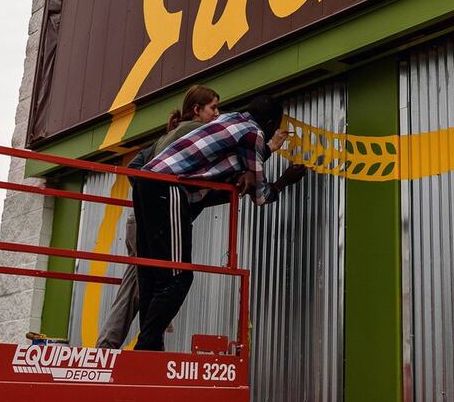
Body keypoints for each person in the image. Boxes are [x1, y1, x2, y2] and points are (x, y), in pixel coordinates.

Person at [132, 94, 306, 352]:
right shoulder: (254, 135)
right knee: (177, 279)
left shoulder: (229, 119)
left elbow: (229, 160)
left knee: (153, 275)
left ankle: (149, 348)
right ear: (269, 123)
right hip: (166, 186)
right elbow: (261, 195)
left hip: (145, 182)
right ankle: (145, 349)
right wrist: (284, 180)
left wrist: (248, 167)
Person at [96, 85, 221, 350]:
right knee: (146, 284)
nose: (218, 114)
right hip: (149, 220)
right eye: (213, 108)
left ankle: (143, 344)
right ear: (196, 110)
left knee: (148, 282)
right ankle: (115, 345)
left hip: (145, 217)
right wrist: (154, 197)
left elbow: (136, 169)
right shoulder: (189, 134)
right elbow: (137, 171)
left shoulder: (168, 138)